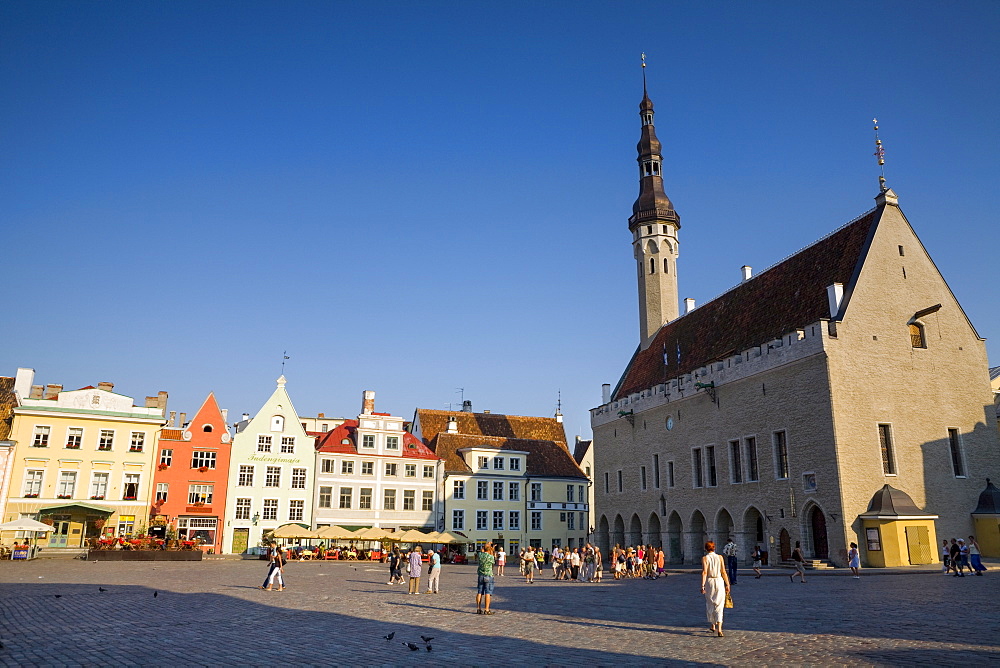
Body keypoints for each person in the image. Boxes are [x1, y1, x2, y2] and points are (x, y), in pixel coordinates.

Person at [700, 541, 731, 637]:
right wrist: (727, 584)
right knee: (719, 604)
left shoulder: (705, 558)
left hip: (710, 581)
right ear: (714, 548)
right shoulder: (720, 557)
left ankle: (713, 625)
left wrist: (702, 585)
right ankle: (719, 629)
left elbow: (704, 572)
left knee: (710, 603)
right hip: (719, 581)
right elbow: (723, 571)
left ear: (706, 548)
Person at [476, 543, 496, 615]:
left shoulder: (480, 555)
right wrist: (492, 549)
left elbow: (481, 551)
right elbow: (493, 562)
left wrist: (487, 546)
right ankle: (486, 609)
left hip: (480, 575)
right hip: (488, 575)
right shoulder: (491, 557)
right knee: (488, 592)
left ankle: (478, 608)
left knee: (479, 592)